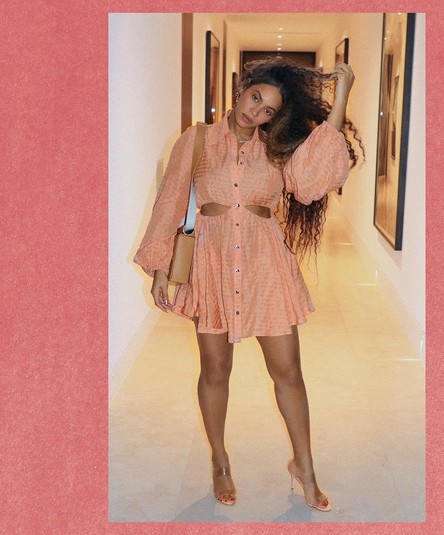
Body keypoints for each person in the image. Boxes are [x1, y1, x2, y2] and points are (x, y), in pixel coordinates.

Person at [134, 58, 361, 511]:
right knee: (216, 368)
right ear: (242, 88)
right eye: (255, 98)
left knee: (289, 371)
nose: (255, 112)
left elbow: (313, 177)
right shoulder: (197, 139)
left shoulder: (277, 150)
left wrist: (343, 96)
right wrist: (161, 268)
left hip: (265, 266)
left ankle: (304, 467)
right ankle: (220, 460)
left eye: (268, 110)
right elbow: (171, 199)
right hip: (212, 262)